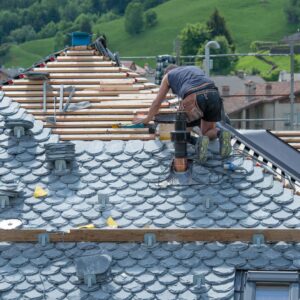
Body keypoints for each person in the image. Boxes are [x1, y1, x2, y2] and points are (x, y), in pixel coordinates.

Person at [133, 65, 231, 162]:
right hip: (213, 94)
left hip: (193, 97)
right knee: (208, 131)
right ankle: (220, 133)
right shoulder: (193, 68)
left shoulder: (168, 76)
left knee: (182, 131)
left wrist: (147, 118)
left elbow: (157, 102)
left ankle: (195, 147)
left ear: (167, 72)